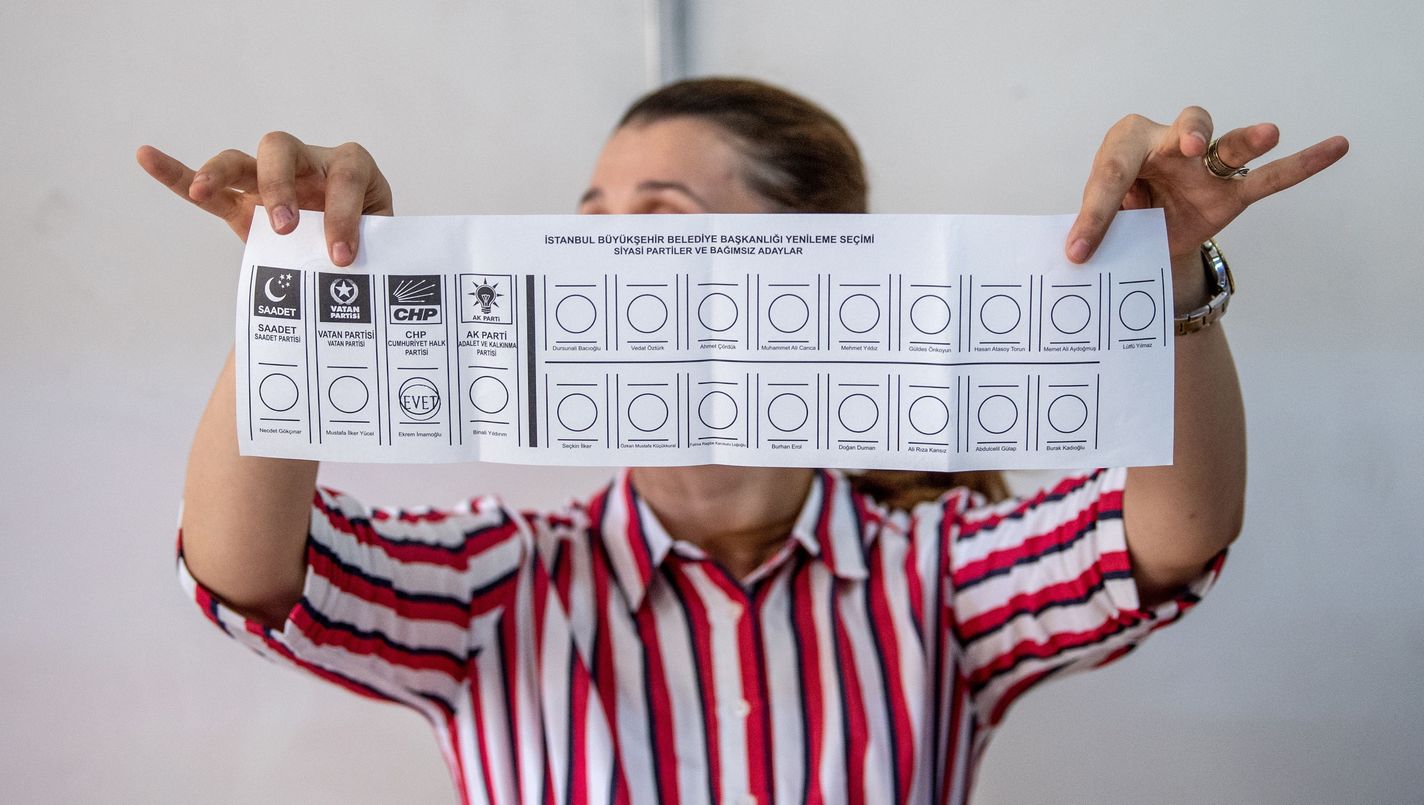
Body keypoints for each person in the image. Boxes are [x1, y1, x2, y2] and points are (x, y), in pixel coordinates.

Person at [137, 78, 1347, 804]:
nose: (601, 257)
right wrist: (295, 291)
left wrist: (1169, 273)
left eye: (658, 216)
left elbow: (1167, 540)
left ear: (821, 260)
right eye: (586, 222)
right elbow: (251, 575)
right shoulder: (501, 582)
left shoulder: (931, 575)